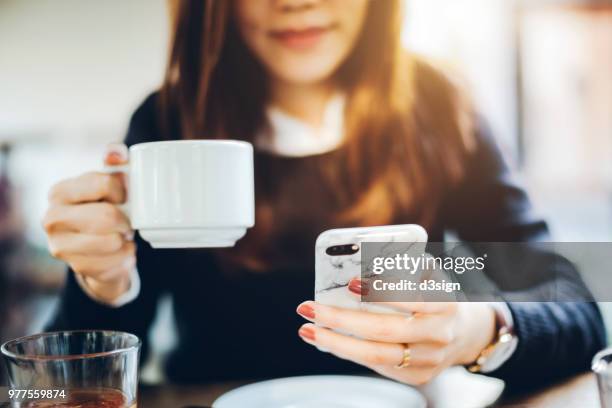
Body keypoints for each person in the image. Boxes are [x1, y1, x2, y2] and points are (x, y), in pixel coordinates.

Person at [43, 0, 605, 387]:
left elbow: (572, 307)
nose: (297, 1)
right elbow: (66, 381)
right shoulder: (169, 120)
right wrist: (103, 284)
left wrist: (477, 330)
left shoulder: (437, 105)